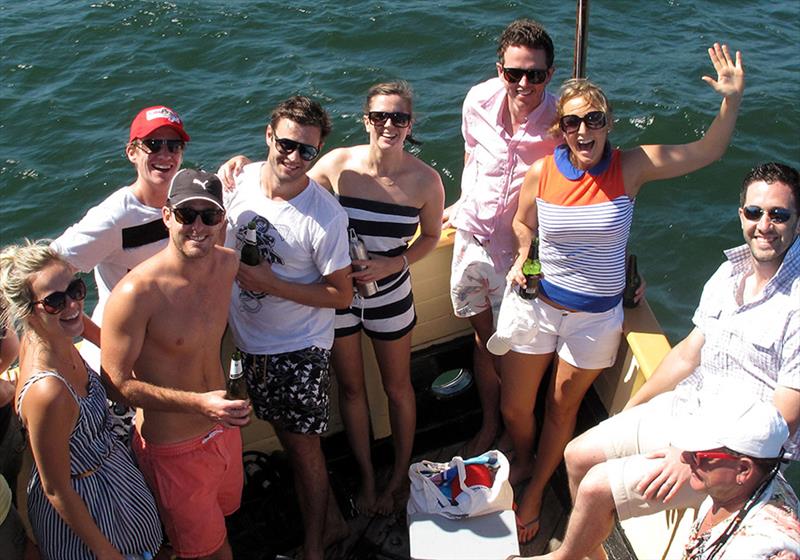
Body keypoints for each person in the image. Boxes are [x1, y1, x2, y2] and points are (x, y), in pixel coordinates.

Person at [505, 43, 746, 542]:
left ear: (607, 123)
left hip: (594, 320)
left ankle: (531, 492)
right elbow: (522, 222)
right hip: (540, 306)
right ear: (561, 131)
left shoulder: (632, 166)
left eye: (592, 120)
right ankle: (523, 460)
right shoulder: (541, 172)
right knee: (514, 407)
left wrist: (730, 100)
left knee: (559, 409)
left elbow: (708, 151)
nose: (583, 131)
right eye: (572, 123)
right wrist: (523, 258)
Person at [525, 162, 800, 560]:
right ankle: (590, 555)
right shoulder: (729, 274)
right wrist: (628, 410)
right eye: (755, 212)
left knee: (598, 486)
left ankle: (564, 557)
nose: (765, 224)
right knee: (577, 455)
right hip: (688, 411)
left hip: (736, 457)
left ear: (797, 220)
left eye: (779, 214)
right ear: (741, 214)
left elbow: (784, 417)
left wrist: (693, 454)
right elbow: (690, 352)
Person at [302, 81, 444, 514]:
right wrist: (240, 167)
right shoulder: (336, 165)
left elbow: (434, 236)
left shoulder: (425, 181)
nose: (389, 125)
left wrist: (394, 263)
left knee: (398, 388)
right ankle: (366, 475)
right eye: (380, 116)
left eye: (398, 118)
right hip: (341, 295)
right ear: (366, 120)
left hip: (391, 297)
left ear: (410, 124)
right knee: (350, 388)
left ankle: (400, 475)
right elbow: (287, 185)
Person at [223, 96, 352, 560]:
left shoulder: (326, 217)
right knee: (286, 436)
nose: (294, 158)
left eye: (307, 151)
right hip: (250, 343)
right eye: (286, 144)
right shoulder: (238, 183)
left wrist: (270, 283)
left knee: (304, 452)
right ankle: (334, 522)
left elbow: (342, 295)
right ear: (268, 136)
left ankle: (316, 549)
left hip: (297, 348)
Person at [101, 169, 250, 560]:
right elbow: (115, 383)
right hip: (175, 451)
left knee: (221, 526)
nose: (198, 227)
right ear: (166, 216)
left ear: (223, 221)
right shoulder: (137, 293)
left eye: (210, 216)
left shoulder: (228, 265)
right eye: (187, 215)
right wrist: (199, 403)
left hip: (225, 433)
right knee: (206, 552)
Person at [0, 240, 162, 560]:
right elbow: (56, 488)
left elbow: (88, 328)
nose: (72, 305)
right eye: (54, 301)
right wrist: (105, 552)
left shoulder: (56, 333)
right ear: (27, 312)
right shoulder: (48, 392)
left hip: (113, 477)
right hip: (87, 505)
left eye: (74, 289)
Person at [445, 18, 559, 457]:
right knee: (483, 339)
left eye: (535, 74)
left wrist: (624, 263)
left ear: (550, 74)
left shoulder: (561, 123)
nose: (524, 83)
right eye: (514, 73)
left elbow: (593, 189)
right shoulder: (477, 100)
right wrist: (462, 200)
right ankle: (490, 422)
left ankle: (517, 431)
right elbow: (472, 152)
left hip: (521, 254)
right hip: (472, 239)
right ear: (500, 71)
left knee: (517, 348)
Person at [51, 105, 190, 439]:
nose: (165, 154)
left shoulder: (188, 200)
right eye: (153, 144)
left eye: (174, 146)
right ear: (132, 152)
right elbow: (48, 269)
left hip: (171, 353)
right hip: (124, 368)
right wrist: (95, 334)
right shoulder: (114, 218)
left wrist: (236, 164)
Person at [675, 398, 799, 559]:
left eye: (699, 455)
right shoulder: (744, 486)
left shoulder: (755, 549)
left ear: (743, 469)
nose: (684, 458)